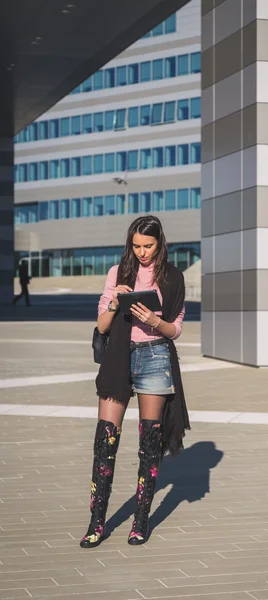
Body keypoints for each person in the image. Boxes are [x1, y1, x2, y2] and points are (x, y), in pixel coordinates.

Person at [80, 215, 190, 549]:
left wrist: (155, 320)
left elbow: (176, 329)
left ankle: (140, 522)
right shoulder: (118, 273)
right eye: (137, 245)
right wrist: (115, 302)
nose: (142, 252)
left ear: (160, 243)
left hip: (155, 357)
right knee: (105, 440)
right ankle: (96, 523)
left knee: (149, 444)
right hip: (118, 359)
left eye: (149, 246)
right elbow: (101, 326)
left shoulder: (172, 277)